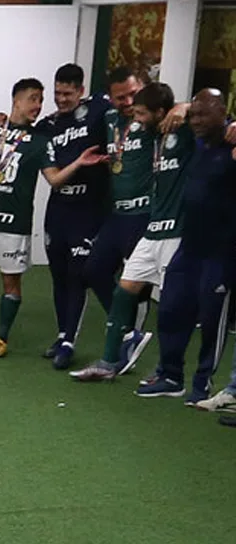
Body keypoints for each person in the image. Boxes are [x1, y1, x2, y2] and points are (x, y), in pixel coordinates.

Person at [0, 78, 106, 359]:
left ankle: (1, 337)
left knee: (10, 283)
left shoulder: (41, 141)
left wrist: (78, 163)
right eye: (33, 99)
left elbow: (53, 179)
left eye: (41, 100)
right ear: (16, 100)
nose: (39, 106)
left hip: (14, 226)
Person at [71, 83, 192, 383]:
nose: (135, 118)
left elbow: (210, 113)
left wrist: (183, 107)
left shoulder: (185, 132)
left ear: (161, 112)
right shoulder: (147, 133)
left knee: (172, 305)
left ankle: (169, 373)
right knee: (124, 290)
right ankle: (110, 361)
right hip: (150, 231)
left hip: (174, 231)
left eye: (140, 113)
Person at [136, 89, 236, 403]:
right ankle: (170, 376)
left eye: (204, 115)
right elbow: (177, 112)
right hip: (189, 245)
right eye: (193, 115)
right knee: (170, 308)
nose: (196, 121)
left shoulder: (232, 145)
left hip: (222, 250)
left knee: (211, 320)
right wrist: (183, 107)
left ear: (223, 112)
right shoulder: (197, 142)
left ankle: (201, 386)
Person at [33, 63, 112, 369]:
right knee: (58, 275)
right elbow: (21, 133)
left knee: (77, 276)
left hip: (88, 208)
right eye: (57, 93)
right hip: (58, 209)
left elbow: (132, 104)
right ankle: (62, 332)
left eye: (67, 93)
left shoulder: (99, 110)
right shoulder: (48, 125)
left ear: (81, 90)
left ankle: (69, 343)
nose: (61, 99)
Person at [82, 67, 151, 340]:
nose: (129, 102)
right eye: (121, 97)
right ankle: (125, 328)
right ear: (110, 99)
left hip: (145, 211)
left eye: (133, 94)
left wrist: (182, 108)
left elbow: (187, 110)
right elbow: (74, 108)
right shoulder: (108, 116)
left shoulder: (155, 117)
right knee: (94, 271)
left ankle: (130, 332)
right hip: (117, 213)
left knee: (138, 281)